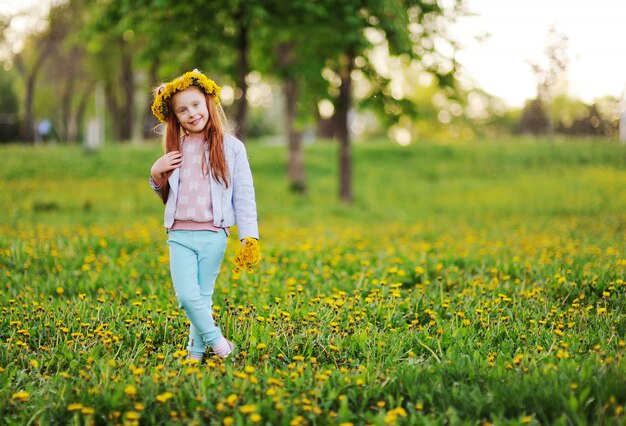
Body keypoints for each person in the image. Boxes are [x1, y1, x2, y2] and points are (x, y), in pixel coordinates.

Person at [149, 69, 259, 361]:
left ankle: (195, 354)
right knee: (188, 297)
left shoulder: (232, 148)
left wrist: (250, 236)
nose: (192, 113)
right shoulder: (175, 149)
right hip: (180, 235)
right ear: (175, 117)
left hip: (214, 234)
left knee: (202, 297)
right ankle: (220, 344)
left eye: (196, 105)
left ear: (208, 102)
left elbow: (244, 195)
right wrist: (156, 173)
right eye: (182, 110)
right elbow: (165, 192)